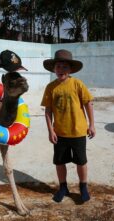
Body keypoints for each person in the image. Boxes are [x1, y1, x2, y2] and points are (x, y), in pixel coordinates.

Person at [41, 49, 95, 203]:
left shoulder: (77, 84)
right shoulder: (51, 87)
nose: (61, 70)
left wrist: (92, 125)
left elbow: (88, 103)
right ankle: (63, 187)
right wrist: (50, 130)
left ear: (70, 69)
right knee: (59, 162)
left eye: (65, 67)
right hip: (60, 133)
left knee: (81, 161)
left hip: (78, 132)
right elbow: (48, 110)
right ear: (54, 69)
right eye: (58, 67)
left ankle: (83, 187)